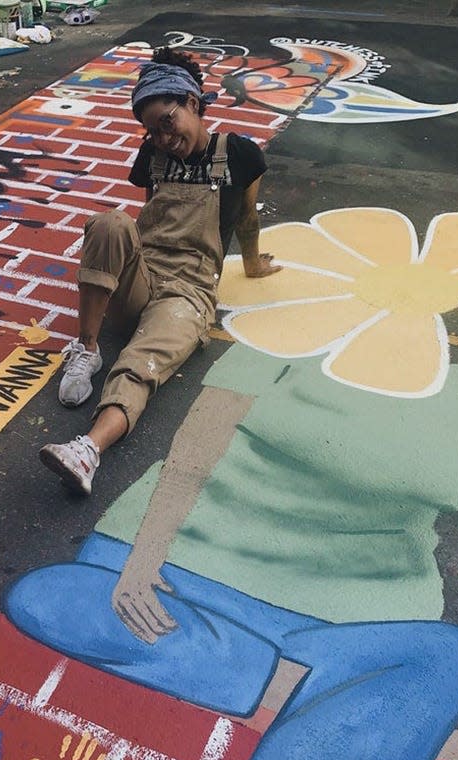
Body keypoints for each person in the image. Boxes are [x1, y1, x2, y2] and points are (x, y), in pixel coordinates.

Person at [39, 46, 280, 495]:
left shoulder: (241, 155)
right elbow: (150, 216)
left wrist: (251, 263)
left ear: (192, 102)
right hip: (143, 275)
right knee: (110, 222)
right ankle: (86, 348)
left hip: (188, 293)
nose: (163, 139)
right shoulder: (153, 157)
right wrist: (125, 261)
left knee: (140, 361)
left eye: (167, 122)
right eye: (151, 131)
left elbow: (247, 217)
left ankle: (87, 450)